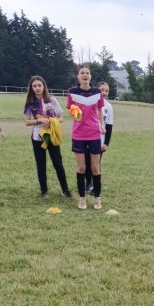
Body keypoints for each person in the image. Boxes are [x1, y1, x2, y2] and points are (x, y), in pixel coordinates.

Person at [24, 75, 72, 199]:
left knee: (58, 163)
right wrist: (39, 120)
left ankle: (65, 190)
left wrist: (52, 120)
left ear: (44, 86)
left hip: (51, 136)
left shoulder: (52, 100)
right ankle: (44, 191)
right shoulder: (30, 103)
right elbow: (27, 122)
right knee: (41, 165)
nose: (37, 88)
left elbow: (61, 118)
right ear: (31, 88)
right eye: (34, 86)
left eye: (39, 85)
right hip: (38, 138)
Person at [67, 65, 105, 210]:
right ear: (78, 76)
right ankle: (82, 199)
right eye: (82, 73)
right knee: (81, 167)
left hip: (94, 133)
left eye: (87, 73)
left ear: (90, 76)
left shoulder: (97, 92)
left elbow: (100, 110)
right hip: (78, 134)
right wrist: (75, 113)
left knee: (95, 168)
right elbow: (71, 109)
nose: (85, 75)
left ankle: (97, 198)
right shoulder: (72, 92)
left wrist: (101, 125)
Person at [85, 82, 112, 193]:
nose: (104, 92)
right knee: (86, 162)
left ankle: (95, 186)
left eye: (106, 90)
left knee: (96, 163)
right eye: (102, 90)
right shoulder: (89, 102)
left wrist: (106, 143)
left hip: (99, 139)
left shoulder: (109, 107)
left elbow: (109, 125)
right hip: (86, 137)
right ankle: (88, 183)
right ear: (97, 90)